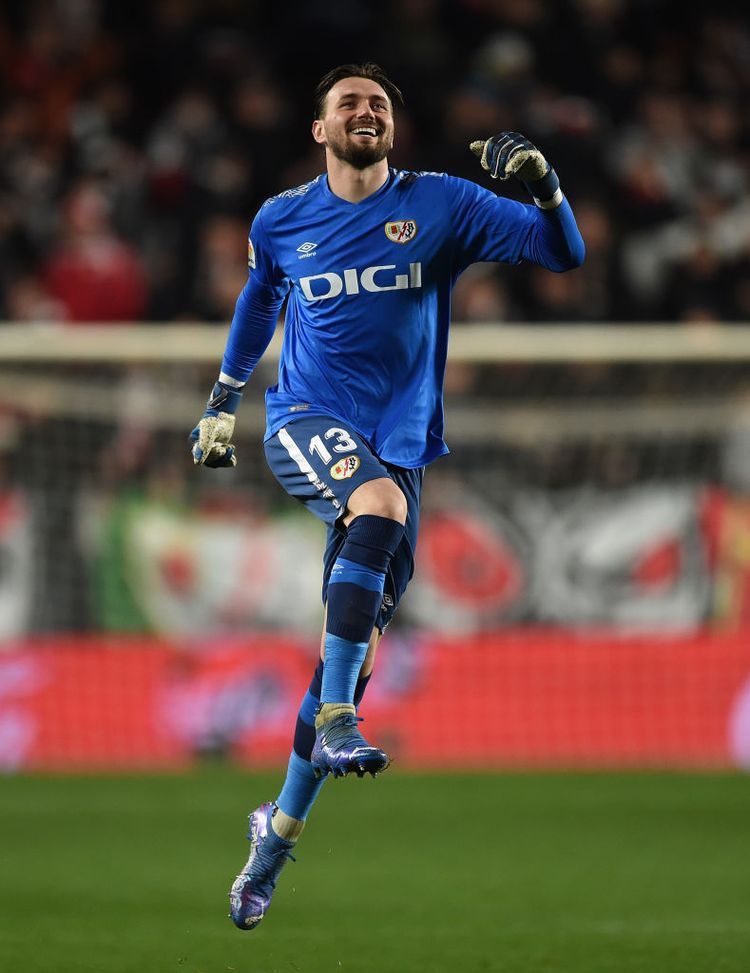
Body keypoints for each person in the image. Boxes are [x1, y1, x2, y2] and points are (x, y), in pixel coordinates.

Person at [189, 62, 585, 931]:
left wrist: (545, 186)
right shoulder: (282, 218)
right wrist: (224, 397)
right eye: (347, 104)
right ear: (319, 129)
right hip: (303, 419)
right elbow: (260, 296)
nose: (365, 112)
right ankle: (338, 716)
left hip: (399, 450)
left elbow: (564, 253)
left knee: (353, 648)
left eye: (378, 104)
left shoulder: (441, 204)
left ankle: (277, 829)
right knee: (377, 512)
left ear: (391, 129)